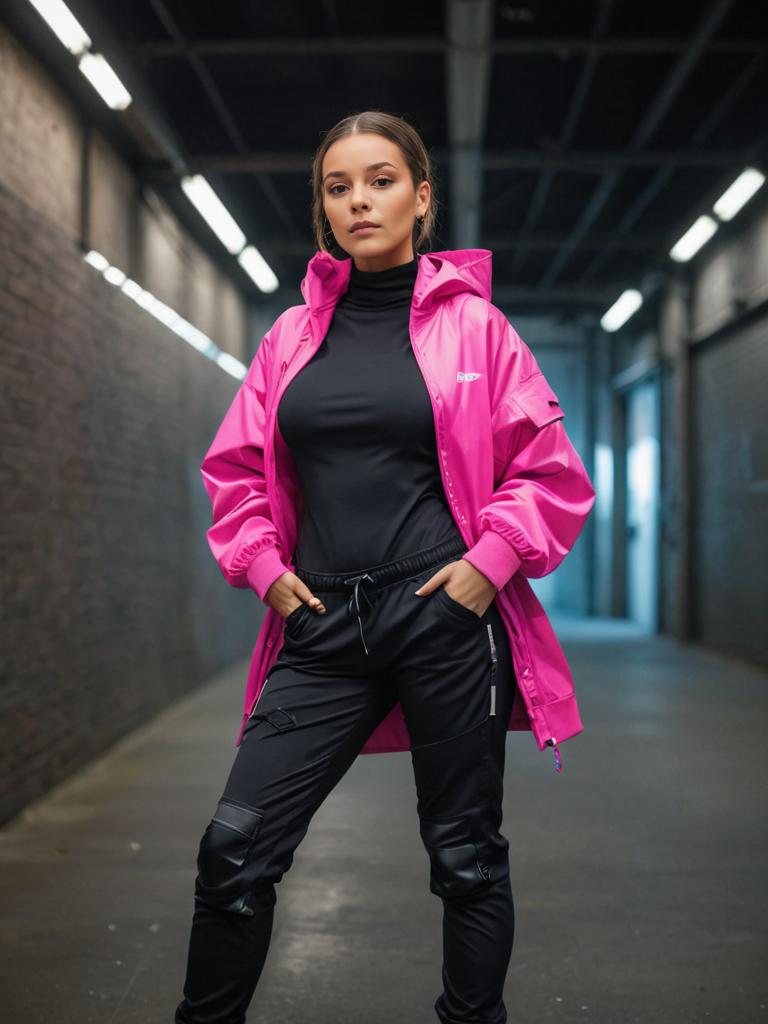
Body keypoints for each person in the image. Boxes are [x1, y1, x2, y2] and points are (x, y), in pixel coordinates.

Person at [174, 110, 596, 1024]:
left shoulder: (476, 330)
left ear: (421, 196)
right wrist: (260, 564)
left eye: (380, 179)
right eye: (338, 187)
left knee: (466, 857)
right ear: (324, 210)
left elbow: (550, 469)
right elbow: (236, 470)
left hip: (443, 616)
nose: (359, 200)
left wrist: (488, 563)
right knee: (233, 850)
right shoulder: (291, 337)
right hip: (320, 625)